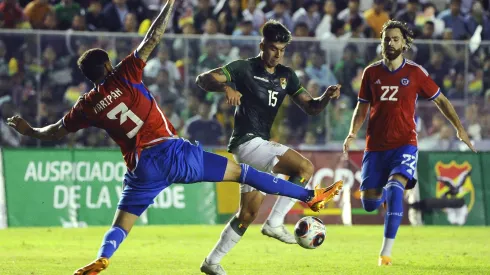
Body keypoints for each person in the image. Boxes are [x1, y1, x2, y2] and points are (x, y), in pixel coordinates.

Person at [6, 2, 341, 274]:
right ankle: (308, 195)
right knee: (245, 174)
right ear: (108, 65)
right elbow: (152, 38)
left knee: (122, 223)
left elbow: (55, 131)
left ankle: (104, 257)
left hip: (141, 169)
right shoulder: (124, 74)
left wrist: (30, 130)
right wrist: (170, 4)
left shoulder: (86, 105)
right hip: (173, 153)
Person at [196, 19, 343, 275]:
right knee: (305, 168)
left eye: (283, 50)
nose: (278, 54)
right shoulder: (243, 69)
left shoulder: (287, 76)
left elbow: (311, 107)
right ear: (262, 45)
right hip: (247, 142)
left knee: (248, 213)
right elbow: (203, 79)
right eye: (274, 48)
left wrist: (326, 98)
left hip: (257, 145)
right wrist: (227, 86)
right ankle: (275, 222)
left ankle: (211, 262)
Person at [342, 20, 477, 267]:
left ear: (404, 44)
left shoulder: (415, 73)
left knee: (396, 188)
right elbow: (362, 107)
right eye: (386, 39)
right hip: (375, 147)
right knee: (370, 204)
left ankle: (386, 253)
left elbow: (442, 101)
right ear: (381, 42)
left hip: (405, 144)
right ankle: (382, 195)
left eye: (395, 39)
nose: (390, 43)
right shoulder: (370, 73)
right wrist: (352, 133)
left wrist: (459, 129)